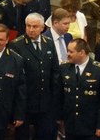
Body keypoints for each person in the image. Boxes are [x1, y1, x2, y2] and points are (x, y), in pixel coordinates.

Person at [9, 12, 61, 140]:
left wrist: (54, 98)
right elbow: (16, 77)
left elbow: (55, 71)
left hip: (45, 102)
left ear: (42, 27)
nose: (31, 29)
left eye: (35, 26)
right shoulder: (16, 44)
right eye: (28, 26)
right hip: (26, 102)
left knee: (46, 135)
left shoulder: (48, 43)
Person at [58, 38, 100, 139]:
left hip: (91, 127)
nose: (68, 54)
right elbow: (60, 96)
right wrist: (59, 119)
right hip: (71, 125)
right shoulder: (64, 68)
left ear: (82, 52)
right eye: (67, 51)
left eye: (71, 51)